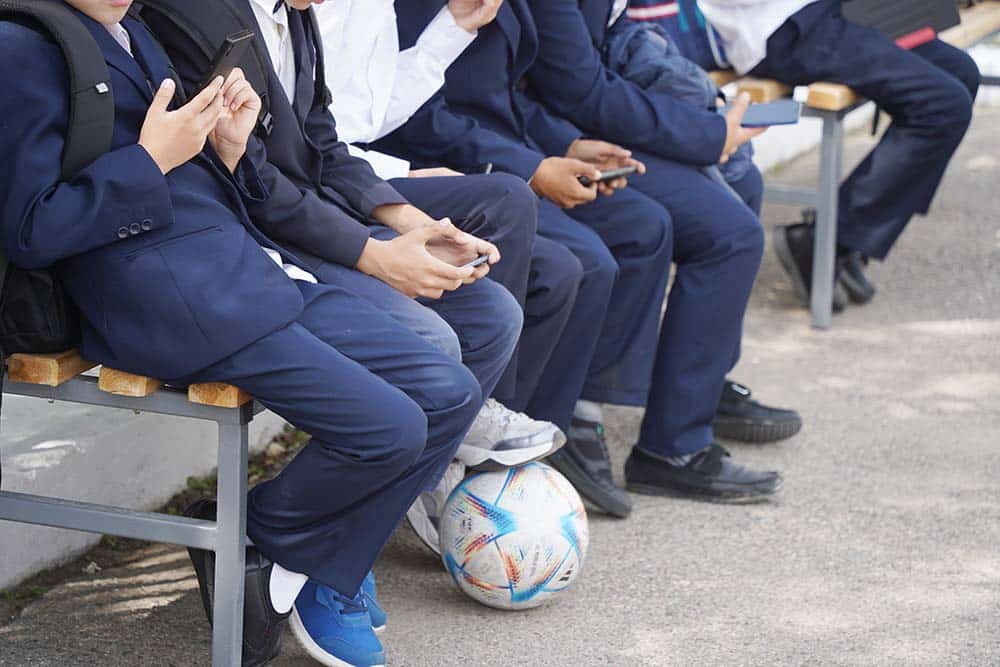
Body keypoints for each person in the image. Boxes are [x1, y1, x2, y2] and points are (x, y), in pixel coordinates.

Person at [0, 2, 516, 666]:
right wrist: (152, 159)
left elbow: (212, 178)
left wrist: (230, 149)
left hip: (243, 269)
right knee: (391, 428)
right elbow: (32, 229)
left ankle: (265, 548)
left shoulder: (129, 32)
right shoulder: (22, 46)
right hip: (167, 301)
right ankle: (266, 539)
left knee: (448, 390)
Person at [380, 0, 786, 515]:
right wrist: (535, 165)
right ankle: (515, 449)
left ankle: (575, 415)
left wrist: (567, 145)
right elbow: (415, 114)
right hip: (441, 168)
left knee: (645, 226)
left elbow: (507, 93)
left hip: (516, 147)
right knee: (590, 260)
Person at [144, 0, 562, 480]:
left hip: (310, 216)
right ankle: (295, 524)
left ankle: (419, 486)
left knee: (495, 315)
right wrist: (376, 256)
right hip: (251, 241)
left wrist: (411, 223)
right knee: (431, 340)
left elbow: (322, 139)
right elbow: (252, 183)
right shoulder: (199, 15)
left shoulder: (297, 10)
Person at [310, 0, 583, 553]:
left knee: (557, 272)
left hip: (357, 171)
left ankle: (468, 472)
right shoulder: (305, 11)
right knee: (504, 198)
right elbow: (312, 144)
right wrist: (398, 177)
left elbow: (372, 113)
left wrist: (453, 29)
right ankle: (465, 434)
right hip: (325, 190)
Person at [523, 0, 802, 499]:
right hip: (547, 135)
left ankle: (696, 391)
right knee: (729, 233)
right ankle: (673, 448)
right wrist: (705, 133)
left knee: (742, 181)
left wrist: (704, 116)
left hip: (584, 116)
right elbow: (576, 87)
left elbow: (609, 39)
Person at [696, 0, 980, 306]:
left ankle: (845, 237)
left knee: (960, 72)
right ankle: (832, 240)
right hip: (784, 30)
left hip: (838, 13)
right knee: (944, 105)